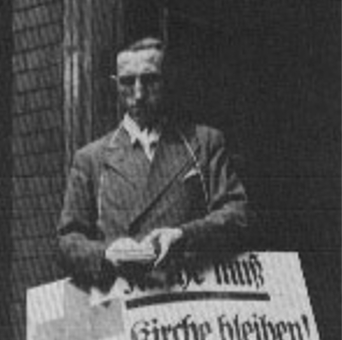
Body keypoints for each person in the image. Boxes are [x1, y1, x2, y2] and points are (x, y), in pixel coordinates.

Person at [56, 37, 249, 287]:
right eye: (127, 81)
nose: (138, 93)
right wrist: (107, 253)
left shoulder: (203, 143)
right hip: (124, 304)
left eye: (149, 80)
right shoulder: (91, 159)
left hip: (191, 300)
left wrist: (183, 235)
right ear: (115, 85)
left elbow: (238, 215)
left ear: (166, 80)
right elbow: (67, 241)